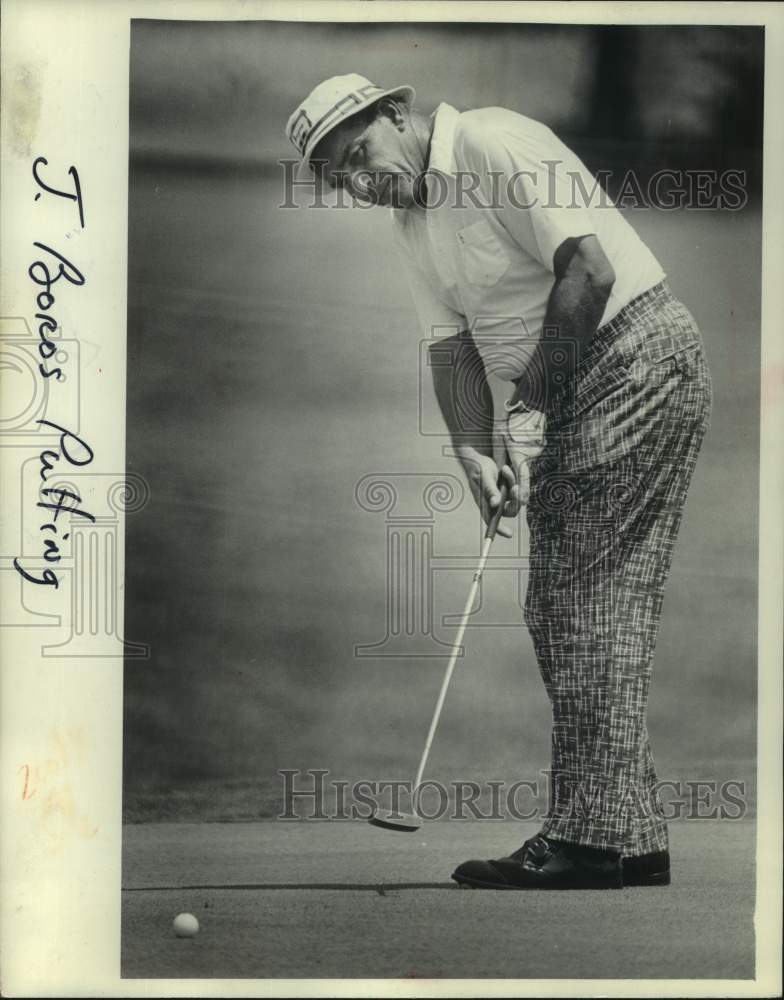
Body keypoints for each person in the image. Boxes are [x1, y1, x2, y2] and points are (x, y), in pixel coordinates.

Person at [285, 74, 712, 889]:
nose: (360, 180)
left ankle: (591, 842)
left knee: (577, 601)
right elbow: (451, 349)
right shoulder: (410, 220)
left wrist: (529, 415)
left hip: (633, 358)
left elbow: (587, 273)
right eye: (341, 173)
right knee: (578, 604)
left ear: (398, 115)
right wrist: (474, 453)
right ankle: (629, 834)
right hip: (582, 381)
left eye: (361, 152)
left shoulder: (489, 140)